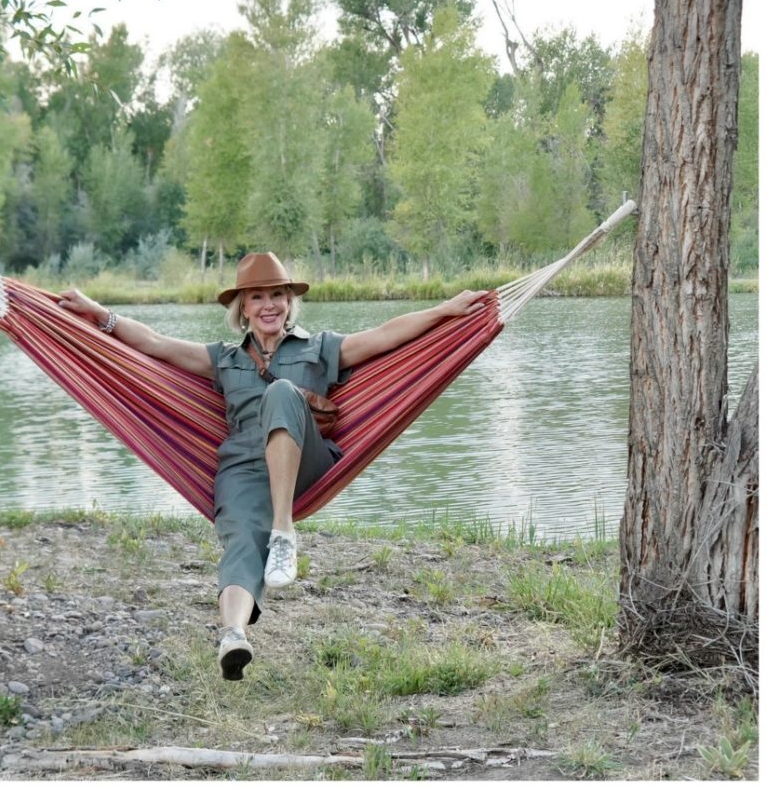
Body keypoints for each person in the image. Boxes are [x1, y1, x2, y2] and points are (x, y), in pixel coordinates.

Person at [58, 252, 486, 680]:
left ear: (289, 302)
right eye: (257, 296)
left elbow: (385, 335)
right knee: (241, 541)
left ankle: (283, 531)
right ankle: (233, 635)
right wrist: (99, 315)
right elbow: (155, 343)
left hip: (306, 463)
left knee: (282, 392)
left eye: (277, 295)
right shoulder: (224, 359)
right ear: (242, 308)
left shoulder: (320, 349)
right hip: (243, 469)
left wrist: (445, 310)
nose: (269, 305)